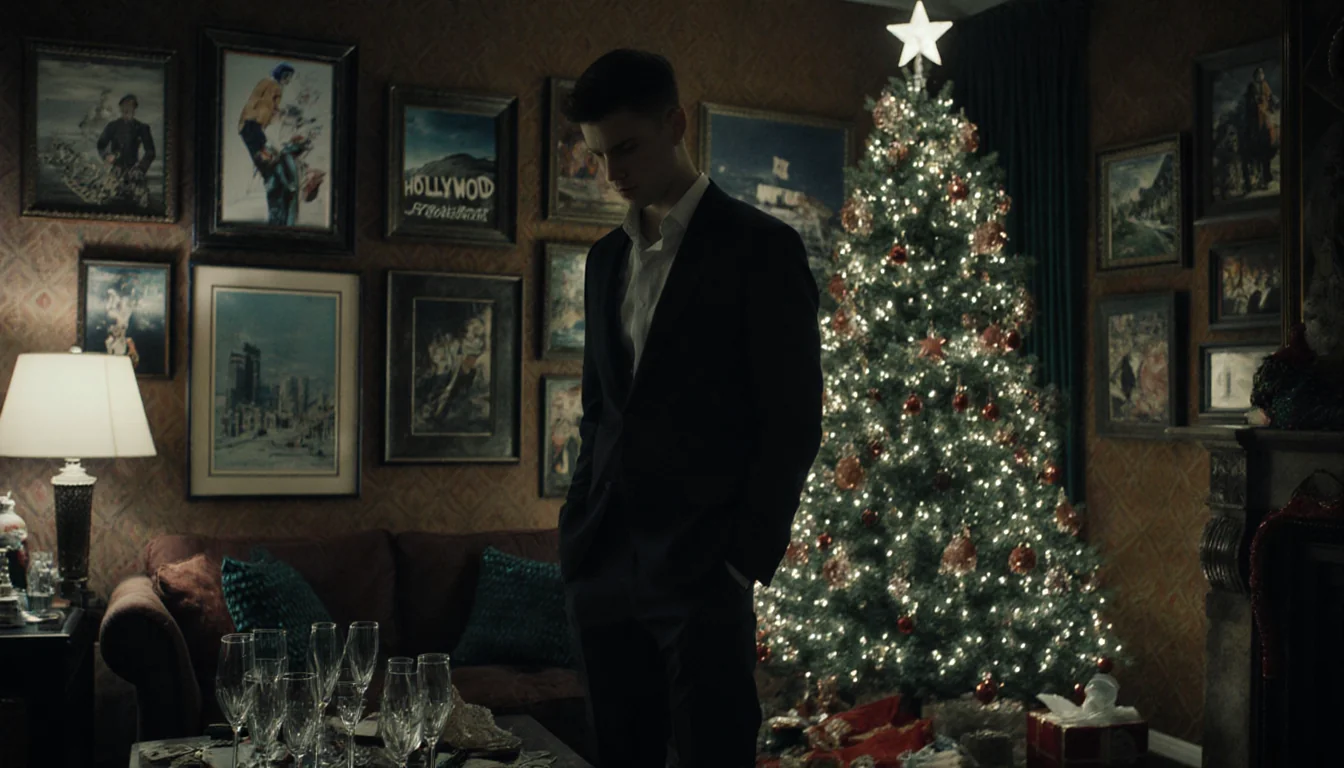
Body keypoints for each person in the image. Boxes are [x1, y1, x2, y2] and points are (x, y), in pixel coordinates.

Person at [557, 49, 822, 767]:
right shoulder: (605, 258)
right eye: (598, 155)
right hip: (604, 563)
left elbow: (794, 420)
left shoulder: (762, 249)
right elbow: (600, 414)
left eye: (627, 148)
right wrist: (577, 535)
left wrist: (740, 560)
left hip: (704, 569)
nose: (612, 173)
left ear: (675, 124)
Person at [96, 93, 155, 204]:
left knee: (138, 202)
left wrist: (141, 168)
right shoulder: (112, 126)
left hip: (134, 171)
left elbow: (150, 152)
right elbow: (101, 144)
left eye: (130, 107)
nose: (126, 110)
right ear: (120, 108)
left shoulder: (142, 128)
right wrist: (106, 155)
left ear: (134, 109)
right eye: (124, 107)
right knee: (108, 201)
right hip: (115, 171)